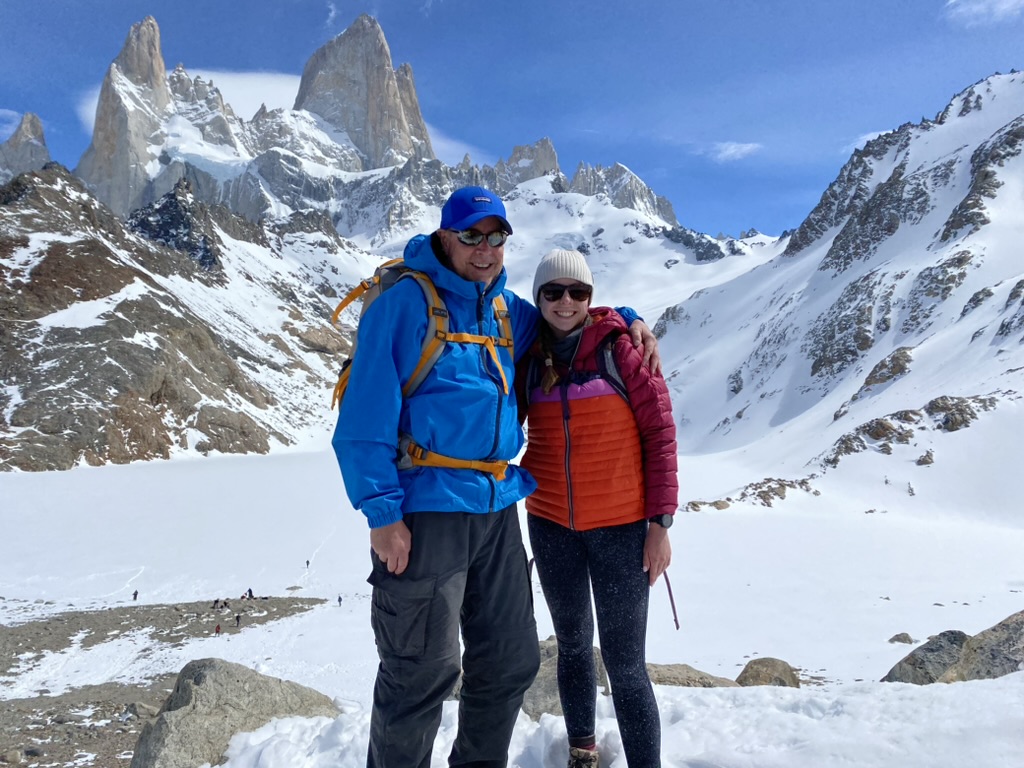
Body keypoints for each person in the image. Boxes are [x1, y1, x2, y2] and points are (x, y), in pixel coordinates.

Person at [332, 186, 659, 768]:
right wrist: (382, 514)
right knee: (421, 670)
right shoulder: (403, 304)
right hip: (425, 509)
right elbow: (363, 421)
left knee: (509, 660)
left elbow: (572, 322)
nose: (484, 249)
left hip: (496, 509)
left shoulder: (509, 311)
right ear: (446, 236)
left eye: (496, 236)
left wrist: (628, 320)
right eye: (471, 235)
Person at [516, 249, 678, 768]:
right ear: (538, 297)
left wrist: (660, 524)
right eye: (553, 292)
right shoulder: (526, 353)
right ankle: (582, 751)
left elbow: (660, 435)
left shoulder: (621, 350)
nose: (566, 302)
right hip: (549, 523)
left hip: (622, 528)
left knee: (627, 663)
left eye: (578, 292)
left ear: (592, 298)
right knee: (571, 646)